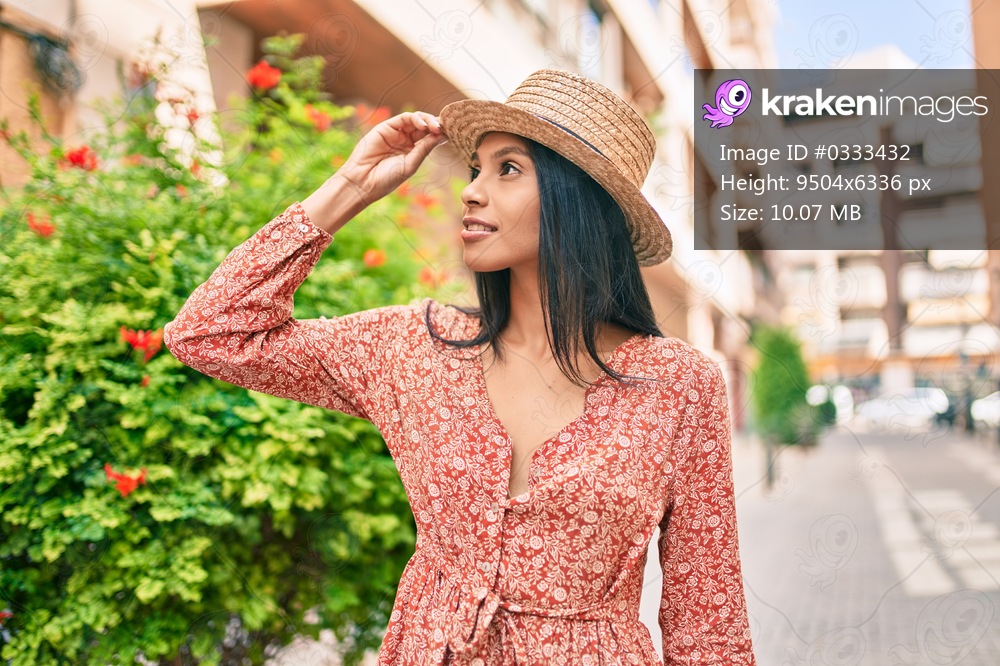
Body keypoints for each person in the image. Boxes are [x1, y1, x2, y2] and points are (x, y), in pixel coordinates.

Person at [164, 69, 756, 665]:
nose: (472, 191)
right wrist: (349, 188)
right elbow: (211, 332)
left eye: (508, 169)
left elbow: (708, 622)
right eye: (476, 168)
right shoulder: (416, 348)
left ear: (579, 200)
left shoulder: (678, 385)